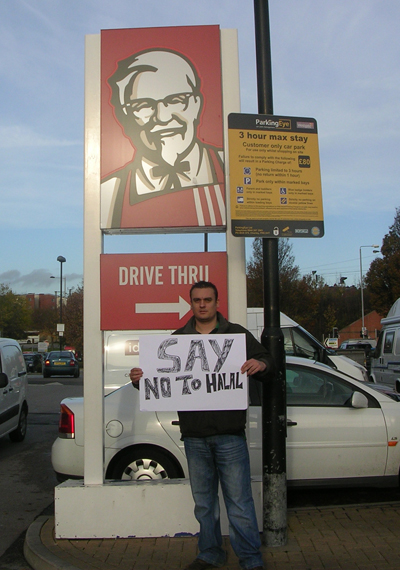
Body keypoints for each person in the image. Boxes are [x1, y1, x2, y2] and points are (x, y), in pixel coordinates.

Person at [130, 281, 274, 570]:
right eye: (197, 300)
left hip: (231, 435)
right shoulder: (176, 341)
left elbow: (267, 359)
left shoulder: (236, 335)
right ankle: (210, 553)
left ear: (217, 302)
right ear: (191, 303)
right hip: (194, 436)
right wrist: (139, 381)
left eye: (208, 299)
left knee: (240, 503)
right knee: (204, 504)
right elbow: (160, 383)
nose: (203, 304)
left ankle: (250, 559)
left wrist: (262, 365)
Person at [101, 48, 225, 230]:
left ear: (196, 105)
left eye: (176, 100)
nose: (162, 117)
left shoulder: (230, 171)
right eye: (143, 105)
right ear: (125, 116)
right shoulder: (108, 195)